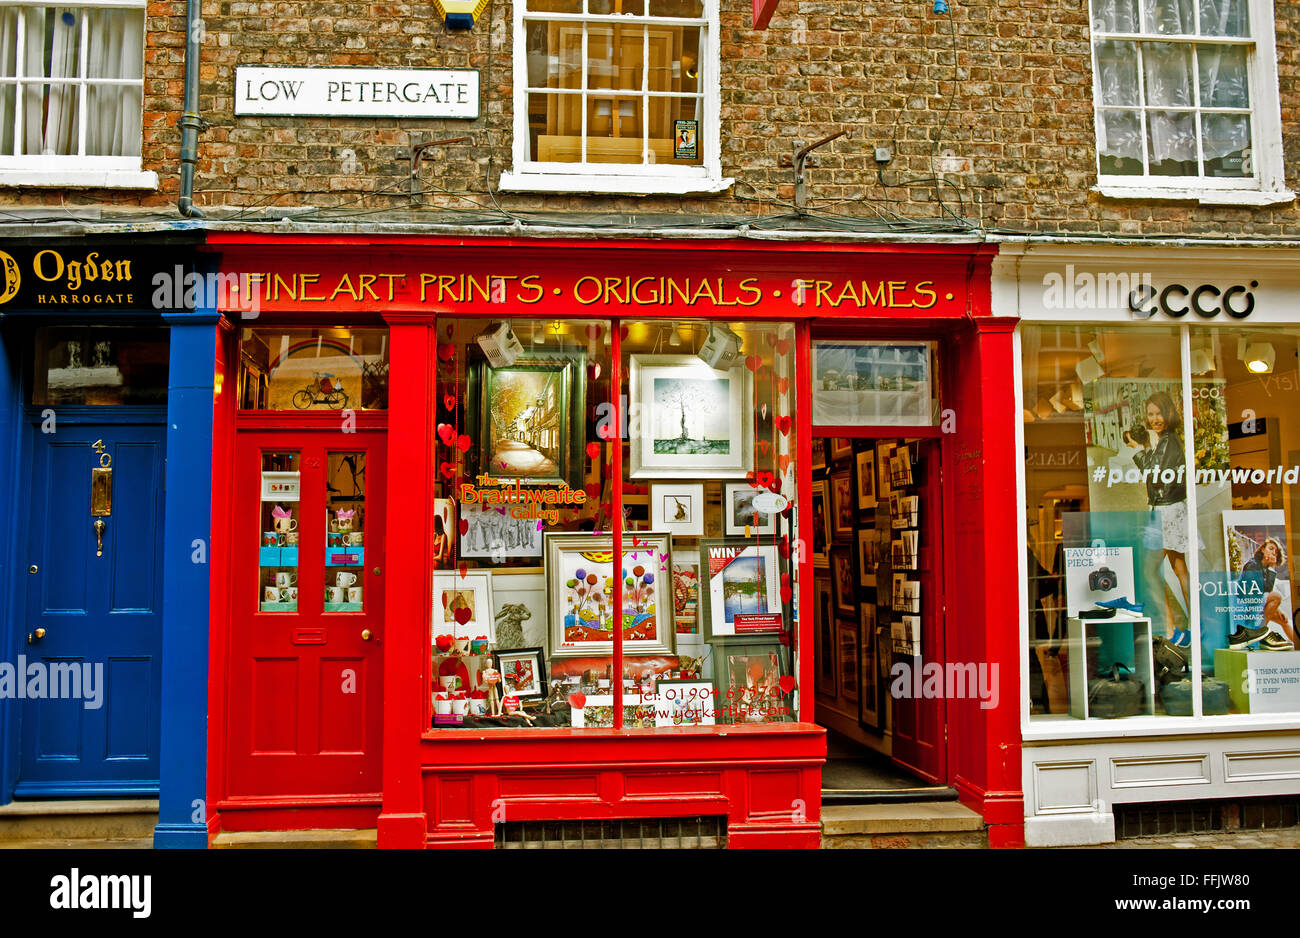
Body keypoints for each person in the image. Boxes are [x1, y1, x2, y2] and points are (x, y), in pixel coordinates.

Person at [1127, 391, 1192, 646]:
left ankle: (1171, 630)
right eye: (1151, 414)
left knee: (1149, 570)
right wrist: (1144, 447)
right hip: (1172, 508)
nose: (1155, 419)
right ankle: (1197, 626)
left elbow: (1153, 474)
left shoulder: (1169, 441)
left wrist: (1139, 450)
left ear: (1169, 413)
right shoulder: (1167, 440)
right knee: (1179, 569)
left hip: (1166, 510)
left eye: (1159, 413)